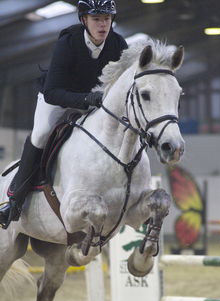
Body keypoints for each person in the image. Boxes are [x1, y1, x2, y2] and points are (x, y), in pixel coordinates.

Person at [0, 0, 127, 229]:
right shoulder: (68, 42)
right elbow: (51, 92)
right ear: (84, 20)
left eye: (107, 19)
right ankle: (14, 199)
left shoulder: (118, 44)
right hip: (58, 98)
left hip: (95, 102)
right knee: (40, 134)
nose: (103, 25)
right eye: (97, 19)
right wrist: (87, 99)